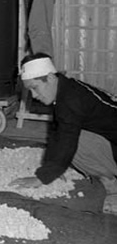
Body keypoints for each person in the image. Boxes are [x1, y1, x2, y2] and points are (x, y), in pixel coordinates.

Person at [10, 53, 117, 215]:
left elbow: (66, 141)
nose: (34, 96)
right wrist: (51, 167)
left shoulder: (71, 100)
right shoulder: (67, 90)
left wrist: (42, 178)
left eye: (35, 87)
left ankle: (112, 186)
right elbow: (57, 132)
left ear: (51, 78)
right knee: (66, 138)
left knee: (77, 142)